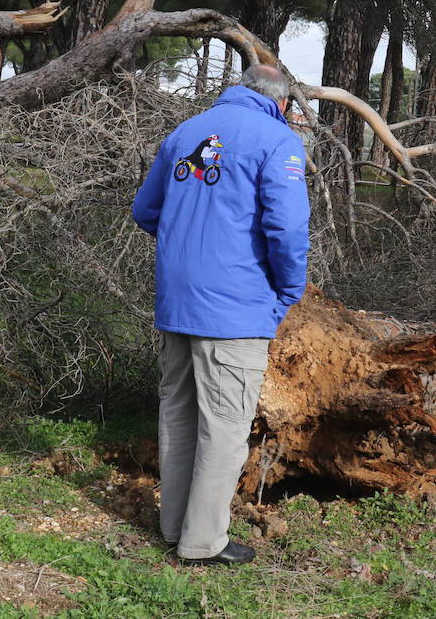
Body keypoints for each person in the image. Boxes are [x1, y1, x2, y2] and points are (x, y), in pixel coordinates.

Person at [131, 63, 310, 566]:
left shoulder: (187, 130)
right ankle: (202, 542)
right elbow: (289, 232)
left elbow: (146, 212)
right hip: (234, 312)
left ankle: (173, 528)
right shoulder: (278, 141)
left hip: (176, 306)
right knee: (225, 428)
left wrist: (191, 241)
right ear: (282, 103)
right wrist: (287, 292)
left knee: (180, 416)